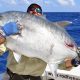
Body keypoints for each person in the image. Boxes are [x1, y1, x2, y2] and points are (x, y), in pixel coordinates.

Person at [5, 4, 47, 80]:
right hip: (13, 77)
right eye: (31, 10)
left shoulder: (48, 37)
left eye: (38, 11)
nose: (34, 12)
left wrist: (73, 62)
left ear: (42, 16)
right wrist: (3, 34)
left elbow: (58, 60)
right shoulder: (13, 31)